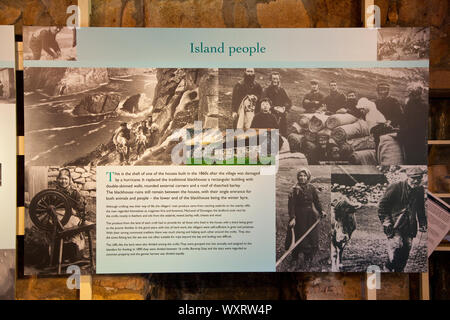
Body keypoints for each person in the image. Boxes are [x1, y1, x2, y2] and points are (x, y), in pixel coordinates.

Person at [378, 167, 427, 272]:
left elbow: (420, 208)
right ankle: (388, 267)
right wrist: (387, 222)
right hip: (395, 225)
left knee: (407, 248)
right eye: (413, 178)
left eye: (419, 178)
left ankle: (399, 270)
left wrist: (423, 223)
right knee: (397, 246)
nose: (416, 181)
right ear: (408, 177)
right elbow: (382, 206)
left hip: (410, 226)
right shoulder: (396, 187)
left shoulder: (419, 189)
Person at [287, 168, 326, 269]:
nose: (302, 178)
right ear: (298, 177)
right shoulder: (294, 189)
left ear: (308, 177)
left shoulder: (312, 188)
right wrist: (292, 218)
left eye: (304, 176)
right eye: (300, 175)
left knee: (311, 237)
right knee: (298, 236)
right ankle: (294, 259)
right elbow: (291, 205)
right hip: (299, 216)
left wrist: (321, 211)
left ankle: (307, 259)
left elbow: (316, 202)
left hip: (310, 216)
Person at [53, 168, 89, 263]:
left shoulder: (74, 192)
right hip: (58, 218)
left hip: (72, 218)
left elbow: (81, 208)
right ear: (57, 179)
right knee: (59, 227)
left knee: (73, 226)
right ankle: (60, 256)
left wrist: (76, 211)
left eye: (65, 179)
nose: (63, 181)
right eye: (61, 178)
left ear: (69, 180)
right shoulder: (53, 193)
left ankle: (75, 254)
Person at [398, 82, 428, 164]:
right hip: (420, 137)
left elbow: (405, 121)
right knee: (419, 157)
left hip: (410, 137)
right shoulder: (424, 105)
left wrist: (400, 133)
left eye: (411, 94)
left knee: (411, 158)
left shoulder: (410, 105)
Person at [262, 72, 292, 136]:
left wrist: (284, 107)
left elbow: (288, 101)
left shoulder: (281, 90)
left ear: (279, 80)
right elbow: (263, 102)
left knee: (283, 133)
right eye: (273, 79)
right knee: (271, 133)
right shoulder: (266, 90)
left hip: (281, 115)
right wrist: (273, 108)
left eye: (277, 79)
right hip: (271, 114)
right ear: (271, 80)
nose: (275, 80)